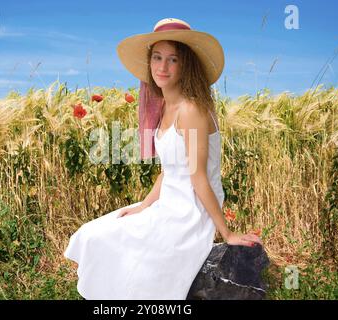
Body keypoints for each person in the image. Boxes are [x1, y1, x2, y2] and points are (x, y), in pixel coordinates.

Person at [64, 17, 262, 300]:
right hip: (171, 199)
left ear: (186, 65)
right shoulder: (167, 107)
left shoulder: (191, 109)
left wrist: (226, 234)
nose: (162, 67)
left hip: (190, 209)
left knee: (123, 247)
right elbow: (169, 171)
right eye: (157, 58)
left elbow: (198, 177)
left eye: (173, 60)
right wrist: (144, 206)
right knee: (95, 232)